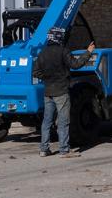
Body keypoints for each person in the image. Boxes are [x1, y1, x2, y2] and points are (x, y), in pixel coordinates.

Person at [32, 26, 94, 158]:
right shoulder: (63, 51)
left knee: (47, 121)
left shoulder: (42, 53)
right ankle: (64, 149)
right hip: (61, 91)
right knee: (63, 121)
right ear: (59, 38)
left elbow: (35, 72)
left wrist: (47, 78)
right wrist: (88, 52)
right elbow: (76, 65)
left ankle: (44, 149)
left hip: (48, 91)